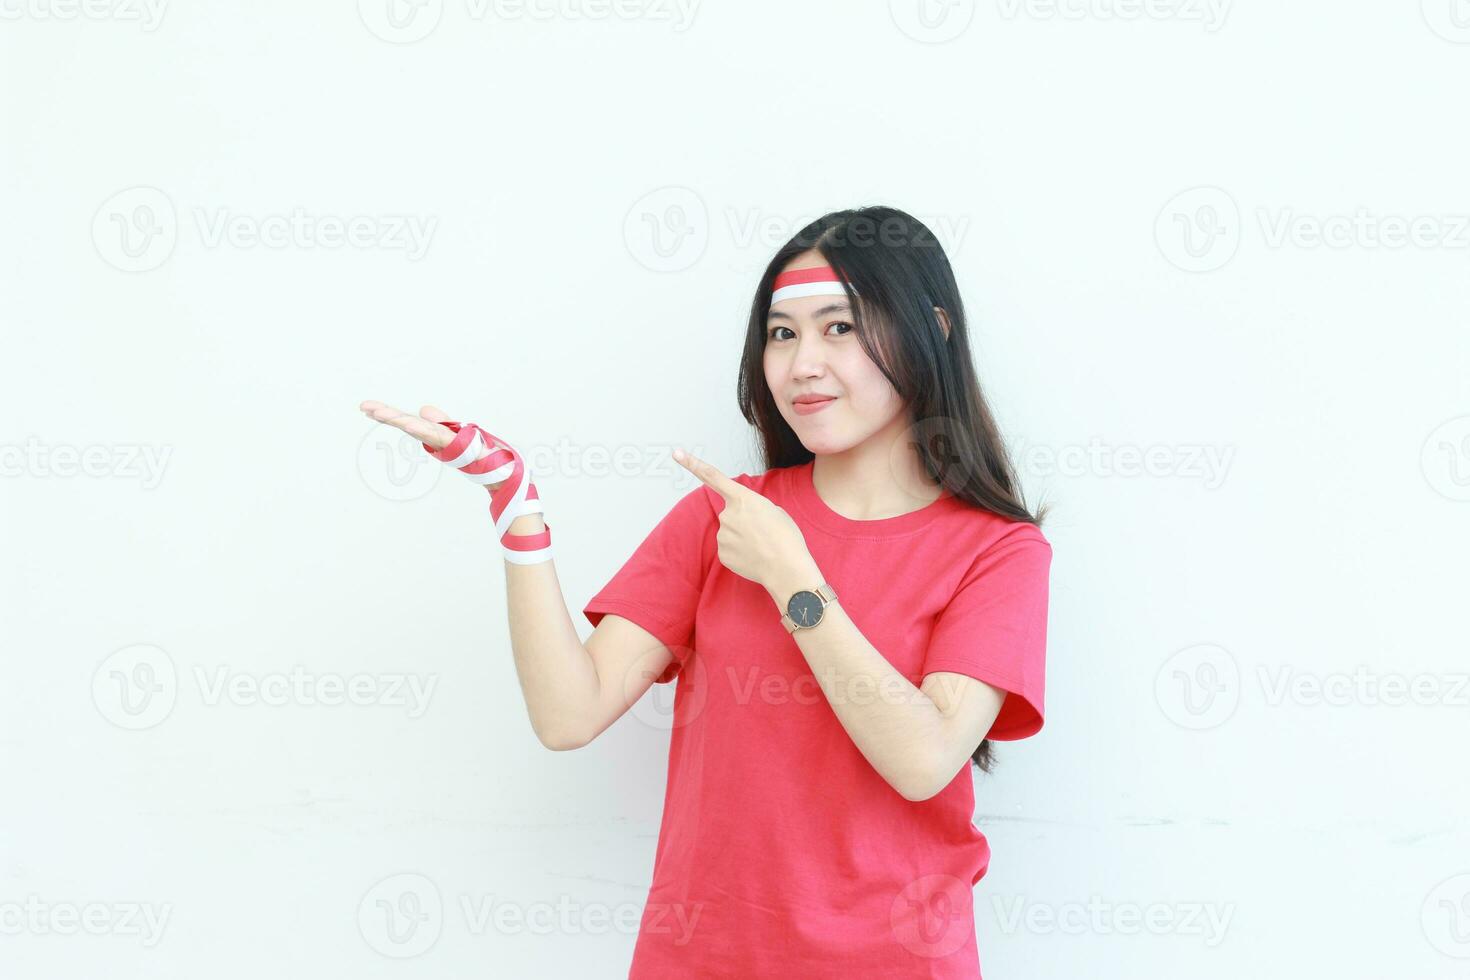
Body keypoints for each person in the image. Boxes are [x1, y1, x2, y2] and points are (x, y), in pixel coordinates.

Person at [359, 204, 1053, 978]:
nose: (802, 364)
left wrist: (792, 575)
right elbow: (568, 712)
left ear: (935, 332)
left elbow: (924, 759)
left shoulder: (998, 551)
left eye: (840, 327)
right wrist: (516, 509)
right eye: (782, 333)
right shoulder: (721, 520)